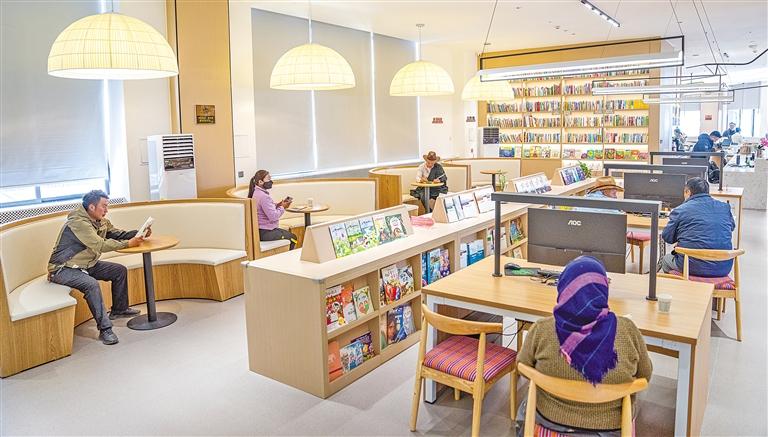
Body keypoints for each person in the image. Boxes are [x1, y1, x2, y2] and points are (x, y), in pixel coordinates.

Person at [516, 256, 652, 436]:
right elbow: (645, 374)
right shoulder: (627, 331)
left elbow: (522, 365)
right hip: (609, 427)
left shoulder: (542, 329)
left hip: (549, 419)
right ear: (603, 289)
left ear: (563, 288)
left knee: (524, 407)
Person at [47, 190, 146, 345]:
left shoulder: (100, 220)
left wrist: (139, 234)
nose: (107, 210)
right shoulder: (79, 223)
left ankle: (119, 309)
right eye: (104, 206)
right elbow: (100, 245)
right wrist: (128, 244)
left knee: (118, 271)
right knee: (91, 284)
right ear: (92, 207)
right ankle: (105, 329)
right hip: (63, 269)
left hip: (86, 264)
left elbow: (116, 234)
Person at [660, 177, 735, 277]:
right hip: (723, 267)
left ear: (688, 192)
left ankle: (682, 285)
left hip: (691, 266)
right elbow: (731, 228)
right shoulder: (725, 207)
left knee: (665, 260)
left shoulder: (681, 210)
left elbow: (667, 237)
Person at [248, 170, 297, 250]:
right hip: (266, 232)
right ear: (260, 182)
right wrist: (283, 207)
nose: (271, 181)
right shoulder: (264, 196)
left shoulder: (257, 193)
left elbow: (265, 208)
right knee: (293, 238)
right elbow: (273, 217)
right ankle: (288, 256)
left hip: (261, 230)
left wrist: (278, 205)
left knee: (291, 236)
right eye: (268, 179)